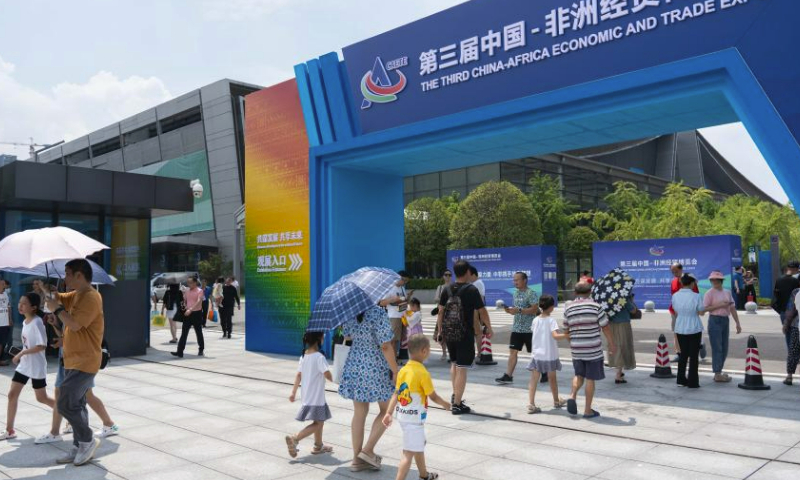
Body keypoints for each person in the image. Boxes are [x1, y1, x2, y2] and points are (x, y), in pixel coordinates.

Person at [44, 259, 105, 465]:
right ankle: (78, 446)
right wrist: (47, 291)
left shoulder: (91, 297)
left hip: (85, 361)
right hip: (72, 360)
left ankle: (87, 440)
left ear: (79, 275)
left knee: (64, 403)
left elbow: (76, 324)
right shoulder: (76, 295)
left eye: (68, 273)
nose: (65, 277)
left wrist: (58, 310)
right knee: (77, 404)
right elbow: (56, 300)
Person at [35, 311, 119, 444]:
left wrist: (64, 339)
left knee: (82, 395)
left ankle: (63, 433)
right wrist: (56, 324)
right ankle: (106, 425)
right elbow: (64, 337)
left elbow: (79, 337)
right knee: (74, 395)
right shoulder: (68, 312)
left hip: (78, 361)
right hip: (67, 359)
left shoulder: (80, 311)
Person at [338, 301, 399, 472]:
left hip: (355, 363)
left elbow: (347, 335)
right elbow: (385, 345)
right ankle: (367, 450)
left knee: (359, 412)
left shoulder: (351, 311)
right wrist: (395, 370)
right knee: (386, 410)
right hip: (375, 365)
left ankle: (357, 460)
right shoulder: (377, 312)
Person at [382, 334, 450, 480]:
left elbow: (396, 393)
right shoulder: (423, 373)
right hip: (414, 420)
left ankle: (424, 475)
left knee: (418, 445)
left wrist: (388, 413)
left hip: (403, 416)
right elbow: (433, 396)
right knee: (408, 453)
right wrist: (445, 404)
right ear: (424, 351)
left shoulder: (403, 370)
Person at [436, 260, 492, 415]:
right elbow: (482, 311)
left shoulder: (446, 289)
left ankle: (456, 395)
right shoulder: (471, 289)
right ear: (467, 272)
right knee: (462, 368)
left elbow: (440, 311)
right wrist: (489, 327)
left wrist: (440, 331)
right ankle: (457, 404)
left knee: (454, 364)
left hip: (449, 332)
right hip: (464, 333)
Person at [0, 292, 55, 441]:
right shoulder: (25, 322)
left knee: (41, 398)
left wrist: (22, 353)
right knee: (12, 395)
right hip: (24, 365)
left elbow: (42, 345)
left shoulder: (37, 323)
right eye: (20, 303)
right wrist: (22, 354)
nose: (20, 306)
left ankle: (66, 413)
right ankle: (9, 430)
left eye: (24, 303)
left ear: (34, 307)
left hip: (36, 366)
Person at [563, 282, 615, 418]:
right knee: (590, 379)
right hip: (593, 349)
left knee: (578, 375)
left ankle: (572, 395)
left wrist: (572, 342)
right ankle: (587, 410)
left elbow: (565, 329)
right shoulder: (596, 307)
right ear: (590, 292)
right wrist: (611, 344)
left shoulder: (568, 308)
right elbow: (605, 327)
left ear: (575, 293)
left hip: (576, 349)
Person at [672, 274, 728, 389]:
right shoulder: (696, 296)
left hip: (680, 326)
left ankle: (681, 379)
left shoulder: (675, 296)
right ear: (692, 284)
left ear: (682, 283)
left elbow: (675, 309)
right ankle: (693, 382)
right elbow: (701, 310)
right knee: (693, 355)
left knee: (683, 354)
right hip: (694, 327)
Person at [286, 331, 333, 458]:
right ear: (318, 339)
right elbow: (327, 374)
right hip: (317, 397)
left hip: (307, 396)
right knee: (318, 423)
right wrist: (336, 378)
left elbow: (298, 375)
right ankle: (295, 438)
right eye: (322, 336)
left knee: (319, 421)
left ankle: (318, 446)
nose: (323, 337)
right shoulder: (319, 357)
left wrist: (293, 392)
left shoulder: (304, 356)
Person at [526, 295, 568, 414]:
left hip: (536, 354)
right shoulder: (551, 320)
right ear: (551, 307)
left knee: (534, 379)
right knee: (552, 379)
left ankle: (531, 403)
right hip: (549, 354)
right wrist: (567, 335)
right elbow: (555, 336)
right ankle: (556, 401)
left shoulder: (535, 320)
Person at [496, 272, 539, 385]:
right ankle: (508, 375)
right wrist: (510, 311)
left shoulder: (531, 293)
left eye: (517, 280)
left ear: (524, 280)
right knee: (513, 352)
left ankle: (544, 373)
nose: (515, 282)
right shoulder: (515, 293)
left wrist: (519, 311)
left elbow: (535, 309)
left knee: (535, 353)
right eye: (514, 280)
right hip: (516, 328)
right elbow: (516, 310)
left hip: (529, 329)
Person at [704, 271, 743, 383]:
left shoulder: (727, 292)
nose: (714, 281)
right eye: (712, 280)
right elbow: (704, 309)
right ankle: (717, 373)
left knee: (724, 347)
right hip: (714, 320)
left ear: (720, 280)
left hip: (725, 320)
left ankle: (719, 371)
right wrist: (720, 305)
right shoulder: (709, 293)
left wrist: (738, 323)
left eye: (716, 279)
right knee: (717, 348)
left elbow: (732, 308)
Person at [668, 264, 705, 362]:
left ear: (681, 269)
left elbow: (696, 296)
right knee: (676, 332)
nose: (674, 273)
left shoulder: (690, 280)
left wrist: (696, 311)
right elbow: (673, 297)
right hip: (676, 311)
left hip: (690, 312)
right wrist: (675, 312)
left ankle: (697, 348)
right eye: (672, 272)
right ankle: (679, 353)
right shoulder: (673, 282)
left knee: (692, 332)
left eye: (676, 271)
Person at [608, 293, 638, 384]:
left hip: (611, 325)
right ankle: (618, 374)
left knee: (615, 346)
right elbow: (633, 311)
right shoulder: (623, 298)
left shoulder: (608, 297)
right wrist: (632, 301)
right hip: (623, 325)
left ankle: (619, 372)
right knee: (622, 347)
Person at [171, 277, 205, 358]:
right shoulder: (187, 291)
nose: (188, 284)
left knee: (198, 332)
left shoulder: (200, 291)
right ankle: (180, 351)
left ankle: (201, 349)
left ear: (195, 283)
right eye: (188, 283)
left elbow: (198, 301)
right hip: (188, 314)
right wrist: (183, 297)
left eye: (190, 282)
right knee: (184, 333)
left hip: (196, 314)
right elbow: (184, 300)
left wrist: (190, 309)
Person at [772, 262, 800, 351]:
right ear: (796, 269)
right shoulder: (796, 281)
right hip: (795, 312)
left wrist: (781, 310)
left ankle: (791, 354)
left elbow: (775, 296)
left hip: (783, 312)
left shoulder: (779, 280)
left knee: (787, 333)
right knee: (796, 333)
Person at [386, 271, 413, 362]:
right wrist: (399, 301)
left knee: (398, 340)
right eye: (404, 280)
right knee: (393, 340)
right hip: (394, 316)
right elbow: (387, 302)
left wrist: (408, 297)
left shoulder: (402, 288)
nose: (405, 283)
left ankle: (395, 357)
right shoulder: (391, 288)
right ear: (399, 277)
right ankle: (392, 359)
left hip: (402, 316)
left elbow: (404, 302)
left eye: (406, 281)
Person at [432, 270, 452, 361]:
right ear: (443, 276)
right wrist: (443, 299)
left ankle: (451, 352)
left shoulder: (454, 286)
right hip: (441, 313)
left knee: (451, 334)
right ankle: (444, 352)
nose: (447, 276)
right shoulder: (440, 287)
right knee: (440, 334)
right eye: (446, 275)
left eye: (449, 275)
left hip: (452, 314)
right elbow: (436, 298)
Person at [467, 265, 487, 356]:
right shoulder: (476, 283)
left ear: (473, 275)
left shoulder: (477, 283)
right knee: (476, 333)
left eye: (468, 275)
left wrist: (479, 314)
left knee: (478, 333)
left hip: (475, 311)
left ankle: (479, 353)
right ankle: (478, 352)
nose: (467, 277)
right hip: (474, 311)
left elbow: (481, 299)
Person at [783, 287, 800, 385]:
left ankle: (789, 376)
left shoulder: (796, 292)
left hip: (796, 326)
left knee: (793, 351)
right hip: (796, 326)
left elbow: (791, 309)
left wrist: (786, 324)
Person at [0, 279, 12, 366]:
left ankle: (1, 359)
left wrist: (10, 319)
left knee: (3, 342)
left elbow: (8, 307)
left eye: (4, 284)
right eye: (2, 283)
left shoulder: (5, 294)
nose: (4, 285)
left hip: (4, 323)